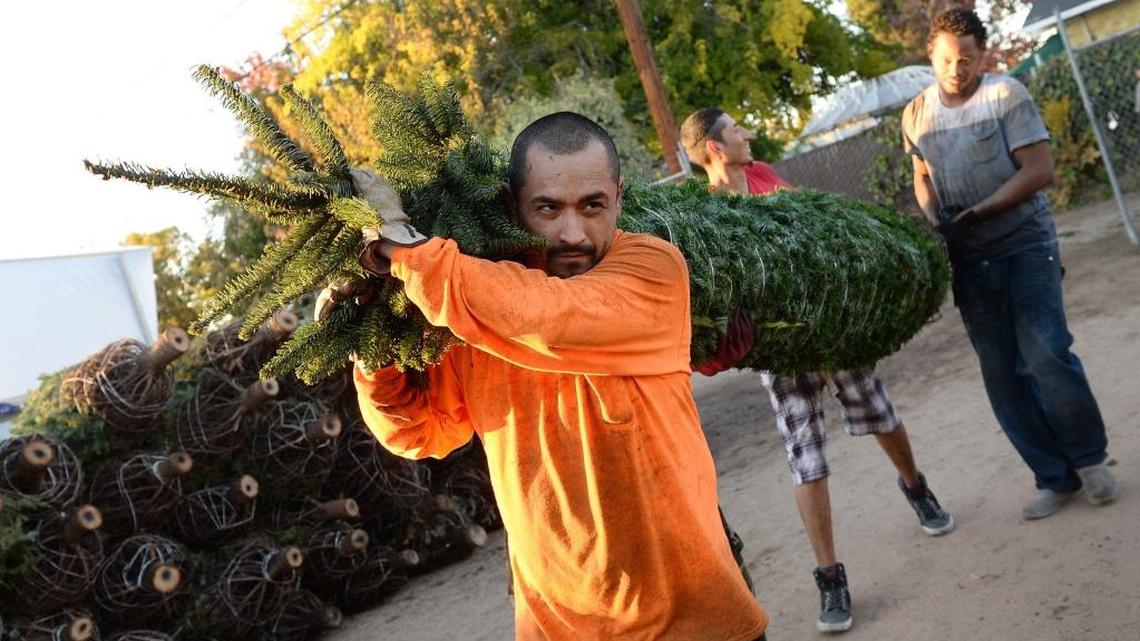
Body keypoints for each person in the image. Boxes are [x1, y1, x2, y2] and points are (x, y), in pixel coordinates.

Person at [327, 112, 769, 641]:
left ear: (619, 197)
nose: (572, 233)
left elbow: (546, 318)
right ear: (515, 205)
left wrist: (399, 247)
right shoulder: (477, 305)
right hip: (556, 625)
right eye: (548, 208)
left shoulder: (652, 270)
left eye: (592, 206)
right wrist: (373, 347)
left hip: (692, 619)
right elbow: (420, 432)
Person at [680, 107, 955, 634]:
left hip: (830, 337)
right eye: (738, 129)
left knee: (880, 415)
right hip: (783, 356)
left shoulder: (763, 178)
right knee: (805, 459)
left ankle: (915, 486)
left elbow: (812, 248)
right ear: (715, 148)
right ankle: (830, 576)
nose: (748, 132)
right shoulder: (710, 215)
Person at [903, 8, 1117, 521]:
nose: (958, 69)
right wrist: (937, 219)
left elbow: (1039, 170)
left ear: (983, 56)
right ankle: (1053, 476)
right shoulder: (916, 113)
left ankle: (1088, 459)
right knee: (1001, 373)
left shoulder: (1006, 96)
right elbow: (922, 176)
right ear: (931, 56)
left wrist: (975, 213)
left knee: (1045, 353)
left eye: (968, 59)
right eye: (948, 60)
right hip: (968, 258)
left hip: (1024, 245)